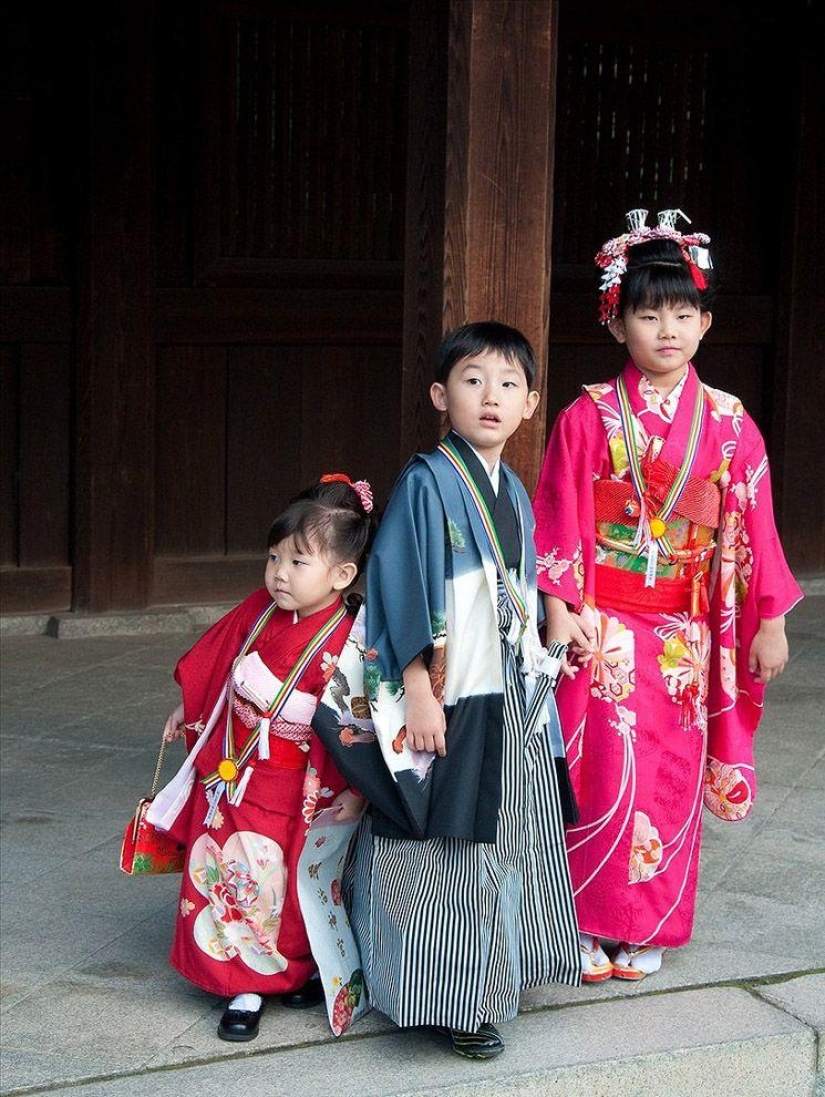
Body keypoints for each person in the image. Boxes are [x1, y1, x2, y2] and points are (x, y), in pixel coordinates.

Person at [532, 209, 803, 983]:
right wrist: (558, 609)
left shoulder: (729, 423)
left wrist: (769, 620)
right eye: (648, 314)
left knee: (663, 776)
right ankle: (582, 919)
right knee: (597, 771)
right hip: (602, 624)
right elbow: (559, 514)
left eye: (683, 314)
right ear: (617, 323)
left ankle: (645, 923)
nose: (667, 329)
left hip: (682, 631)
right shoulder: (587, 414)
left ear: (705, 322)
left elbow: (754, 527)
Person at [345, 321, 581, 1062]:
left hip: (504, 692)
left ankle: (494, 975)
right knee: (442, 847)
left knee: (502, 835)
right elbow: (395, 590)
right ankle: (451, 998)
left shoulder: (513, 489)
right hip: (449, 696)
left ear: (530, 404)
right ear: (440, 395)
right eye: (473, 380)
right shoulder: (426, 481)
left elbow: (522, 590)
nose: (491, 396)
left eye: (509, 384)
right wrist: (417, 687)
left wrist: (552, 638)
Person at [149, 475, 376, 1042]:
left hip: (298, 783)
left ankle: (292, 971)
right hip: (234, 773)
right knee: (231, 876)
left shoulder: (351, 639)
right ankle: (243, 986)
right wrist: (190, 709)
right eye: (274, 557)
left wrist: (355, 788)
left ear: (342, 575)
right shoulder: (259, 611)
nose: (279, 573)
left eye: (298, 562)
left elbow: (357, 724)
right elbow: (217, 666)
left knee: (284, 887)